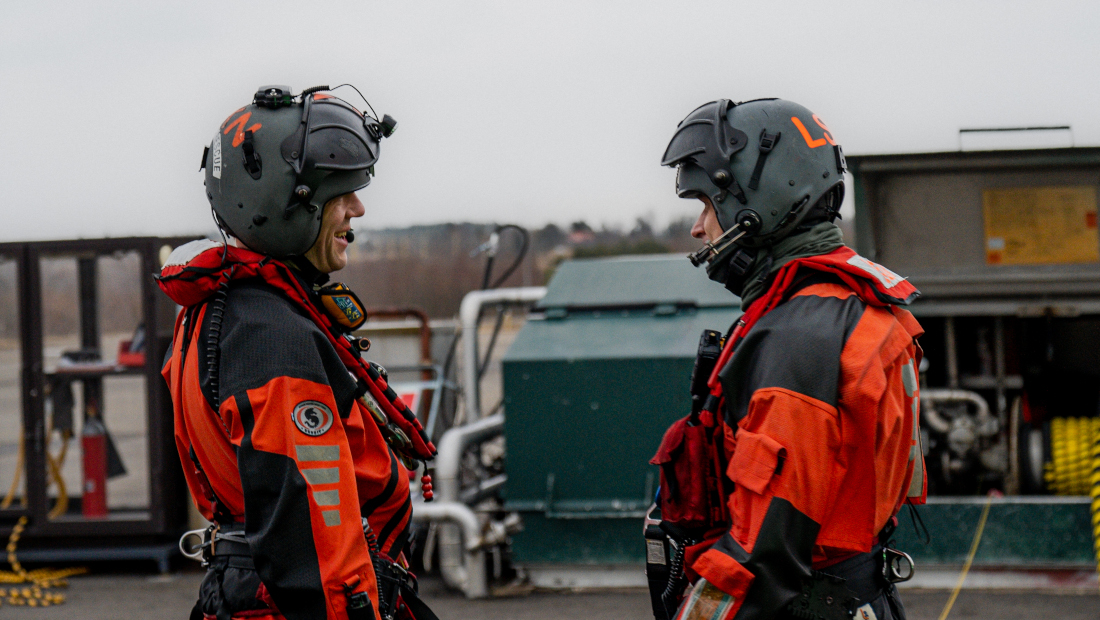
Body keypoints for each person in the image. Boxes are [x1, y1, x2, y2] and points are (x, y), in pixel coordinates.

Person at [158, 85, 437, 620]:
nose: (358, 207)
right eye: (340, 194)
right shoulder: (271, 339)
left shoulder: (220, 310)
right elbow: (315, 529)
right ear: (285, 205)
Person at [651, 99, 926, 620]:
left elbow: (761, 554)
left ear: (758, 203)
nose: (698, 227)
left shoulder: (797, 337)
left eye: (707, 203)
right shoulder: (853, 302)